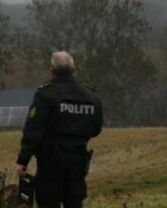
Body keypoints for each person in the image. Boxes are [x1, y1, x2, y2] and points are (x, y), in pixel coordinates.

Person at [16, 51, 103, 207]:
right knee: (74, 202)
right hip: (78, 160)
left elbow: (33, 131)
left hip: (50, 161)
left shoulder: (45, 94)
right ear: (73, 68)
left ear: (52, 70)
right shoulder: (91, 97)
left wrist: (23, 160)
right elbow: (96, 129)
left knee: (48, 201)